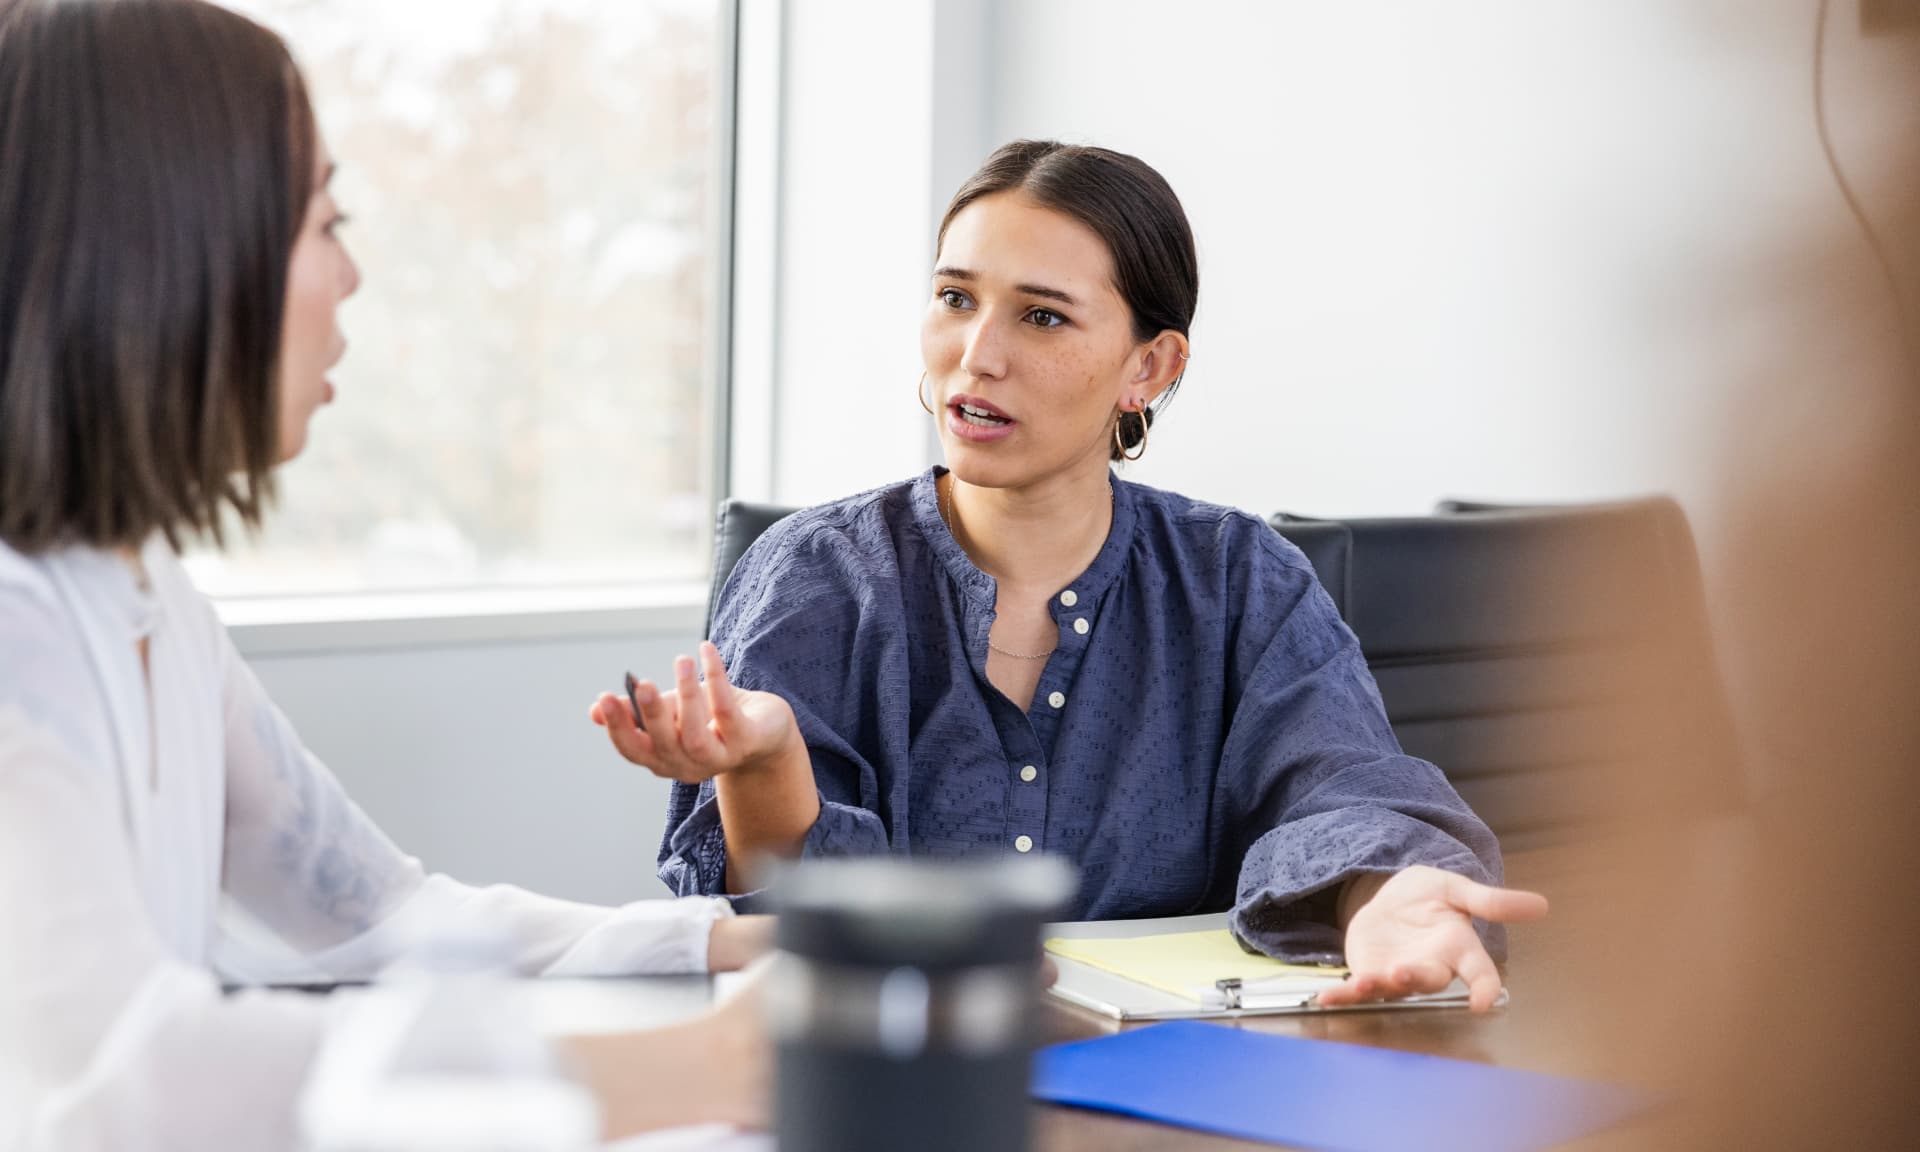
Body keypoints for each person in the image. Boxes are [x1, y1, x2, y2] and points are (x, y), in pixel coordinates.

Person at [0, 2, 766, 1147]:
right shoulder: (19, 627)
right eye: (325, 221)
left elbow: (382, 913)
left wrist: (734, 943)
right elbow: (128, 1072)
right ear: (178, 243)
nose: (353, 275)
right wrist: (707, 1062)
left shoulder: (146, 596)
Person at [592, 139, 1547, 1010]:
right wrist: (769, 766)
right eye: (956, 298)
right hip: (896, 1079)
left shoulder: (1239, 578)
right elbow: (770, 923)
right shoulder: (813, 575)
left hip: (1179, 1090)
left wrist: (1383, 895)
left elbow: (1345, 787)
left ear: (1150, 367)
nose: (978, 356)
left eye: (1042, 317)